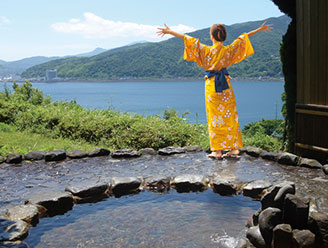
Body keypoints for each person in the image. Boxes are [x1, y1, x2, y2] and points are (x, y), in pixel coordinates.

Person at [157, 21, 273, 159]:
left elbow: (188, 39)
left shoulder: (206, 50)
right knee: (230, 117)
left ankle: (217, 151)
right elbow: (243, 37)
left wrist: (170, 32)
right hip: (226, 86)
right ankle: (234, 148)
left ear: (212, 36)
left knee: (214, 118)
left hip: (212, 86)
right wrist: (260, 29)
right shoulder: (229, 50)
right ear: (223, 36)